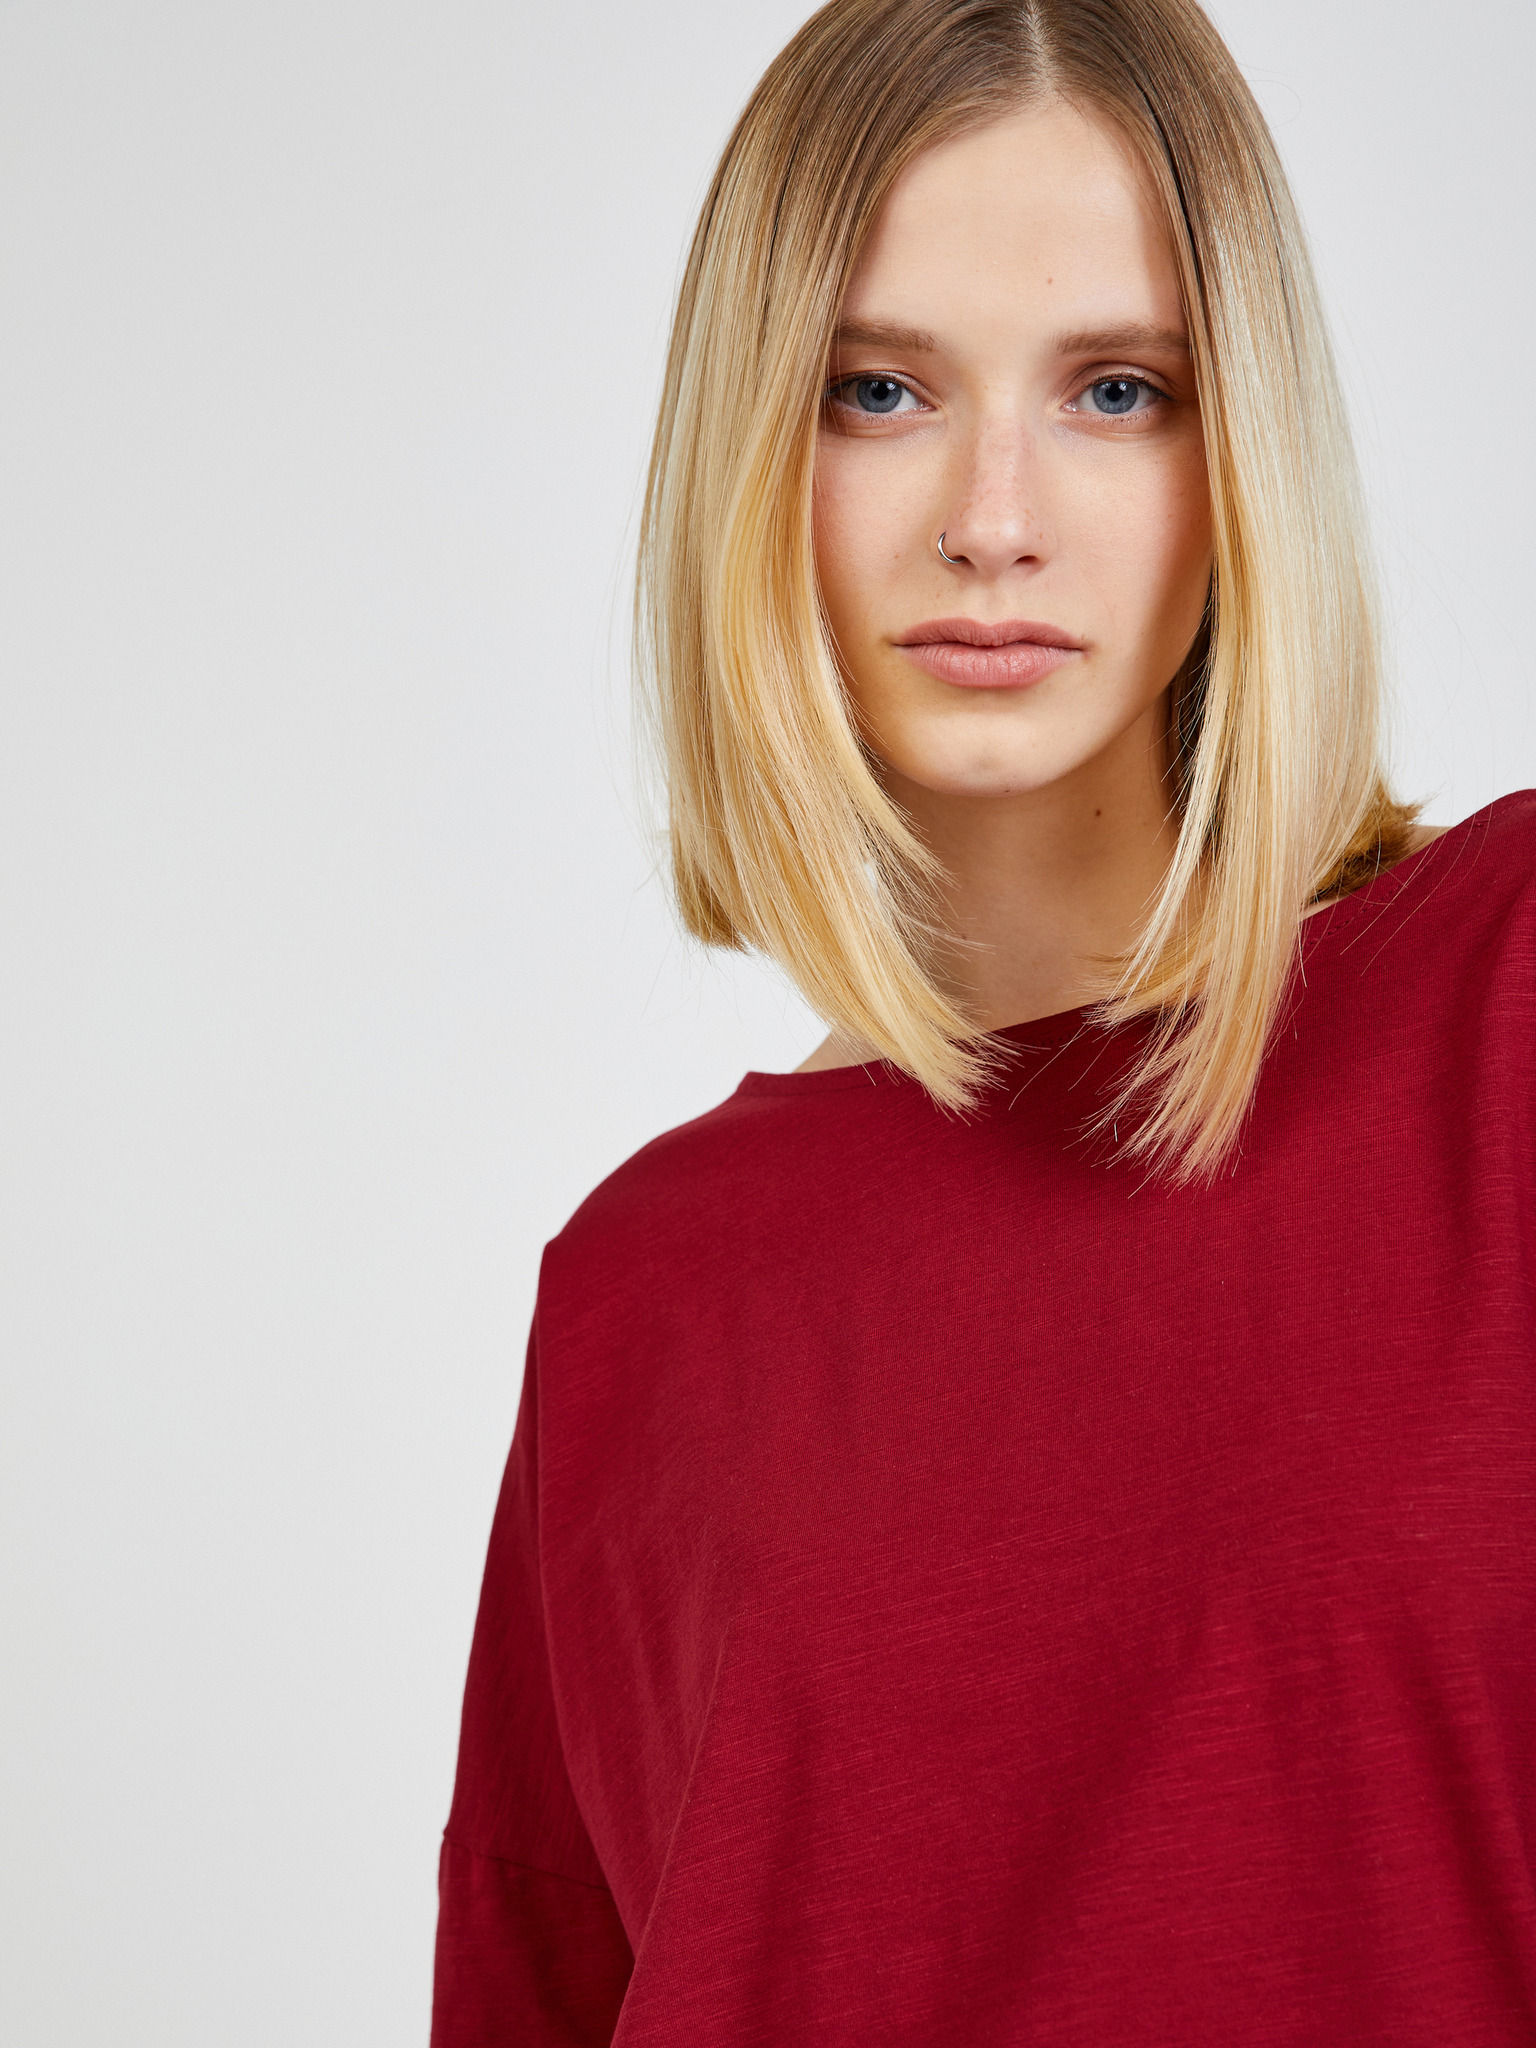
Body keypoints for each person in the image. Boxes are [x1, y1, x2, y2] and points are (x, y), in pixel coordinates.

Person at [431, 0, 1536, 2040]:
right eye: (879, 391)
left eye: (1117, 389)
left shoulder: (1505, 1006)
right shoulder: (638, 1298)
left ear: (1244, 450)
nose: (994, 515)